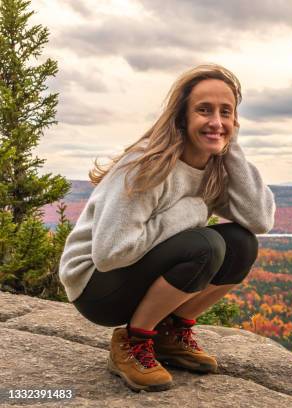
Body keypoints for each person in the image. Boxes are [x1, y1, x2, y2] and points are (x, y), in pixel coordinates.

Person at [58, 63, 276, 392]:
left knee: (241, 244)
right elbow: (110, 253)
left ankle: (168, 334)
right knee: (206, 247)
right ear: (182, 117)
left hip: (130, 275)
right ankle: (133, 342)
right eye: (204, 110)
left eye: (226, 112)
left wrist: (230, 145)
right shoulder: (147, 164)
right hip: (95, 287)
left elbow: (260, 220)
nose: (216, 121)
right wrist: (192, 209)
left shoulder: (215, 166)